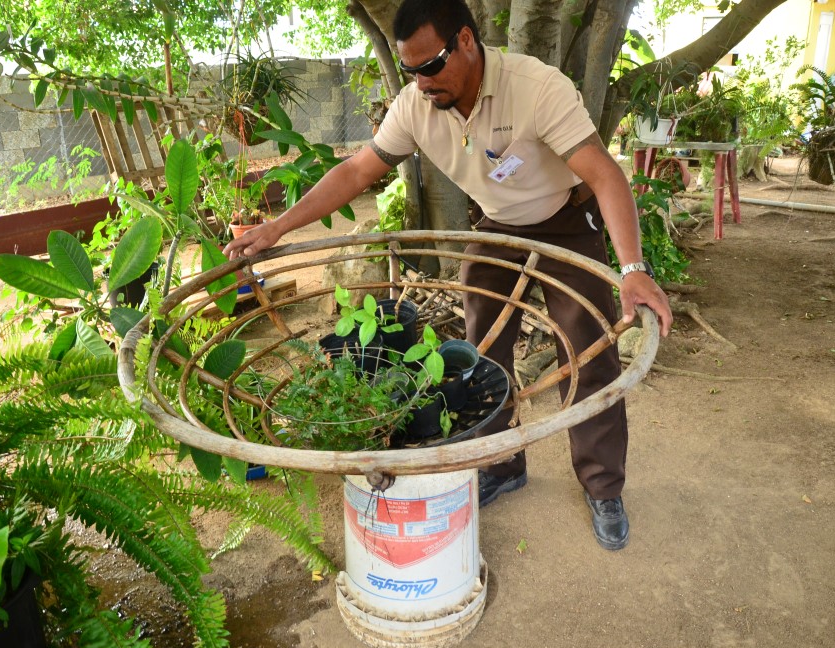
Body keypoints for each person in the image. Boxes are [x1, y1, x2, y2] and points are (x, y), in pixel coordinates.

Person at [225, 0, 672, 551]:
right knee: (479, 348)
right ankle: (502, 461)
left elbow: (605, 175)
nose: (420, 81)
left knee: (587, 350)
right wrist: (277, 229)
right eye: (409, 69)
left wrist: (632, 268)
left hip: (564, 218)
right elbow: (356, 170)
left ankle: (603, 485)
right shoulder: (415, 105)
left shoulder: (537, 87)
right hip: (497, 227)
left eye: (430, 65)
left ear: (465, 40)